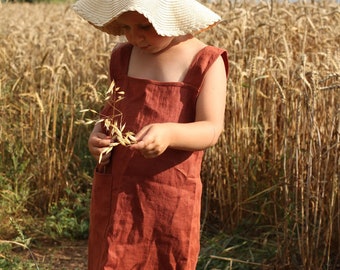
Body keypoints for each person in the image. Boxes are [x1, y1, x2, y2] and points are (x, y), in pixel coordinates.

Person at [72, 0, 228, 269]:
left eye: (145, 25)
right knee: (111, 256)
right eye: (126, 27)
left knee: (164, 257)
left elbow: (212, 128)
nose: (135, 36)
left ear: (173, 16)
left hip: (168, 194)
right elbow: (112, 110)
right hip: (118, 190)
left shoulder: (205, 61)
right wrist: (99, 133)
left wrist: (169, 133)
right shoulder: (123, 55)